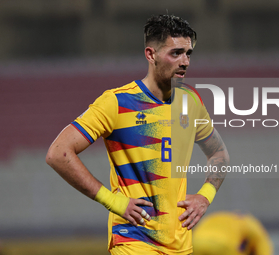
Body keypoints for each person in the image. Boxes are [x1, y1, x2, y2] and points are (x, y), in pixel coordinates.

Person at [46, 14, 229, 255]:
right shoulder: (117, 102)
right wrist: (114, 202)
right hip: (133, 239)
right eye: (175, 53)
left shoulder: (190, 102)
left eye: (188, 53)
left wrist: (205, 196)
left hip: (180, 243)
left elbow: (219, 153)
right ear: (150, 55)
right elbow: (58, 153)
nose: (184, 61)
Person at [193, 211, 273, 255]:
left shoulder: (227, 218)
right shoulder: (252, 224)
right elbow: (264, 250)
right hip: (222, 244)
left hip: (196, 243)